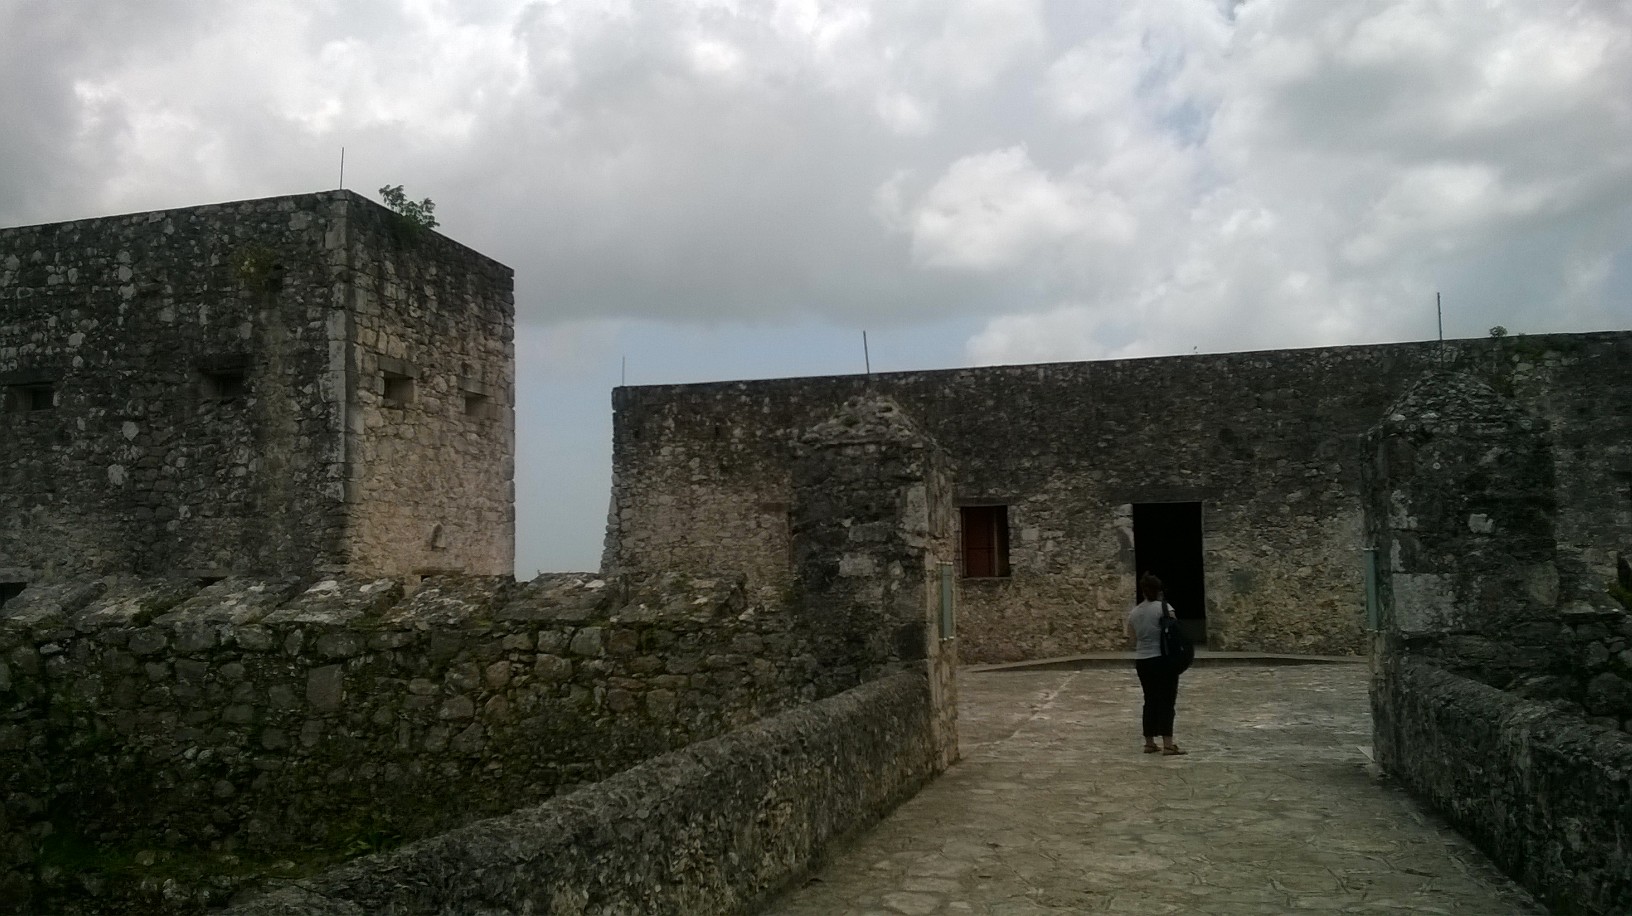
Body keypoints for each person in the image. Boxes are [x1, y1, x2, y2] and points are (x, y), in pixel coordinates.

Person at [1125, 572, 1186, 756]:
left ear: (1143, 591)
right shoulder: (1165, 608)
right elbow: (1177, 633)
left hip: (1143, 661)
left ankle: (1149, 743)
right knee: (1167, 701)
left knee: (1149, 700)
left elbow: (1131, 638)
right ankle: (1168, 744)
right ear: (1159, 590)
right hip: (1163, 660)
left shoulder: (1134, 612)